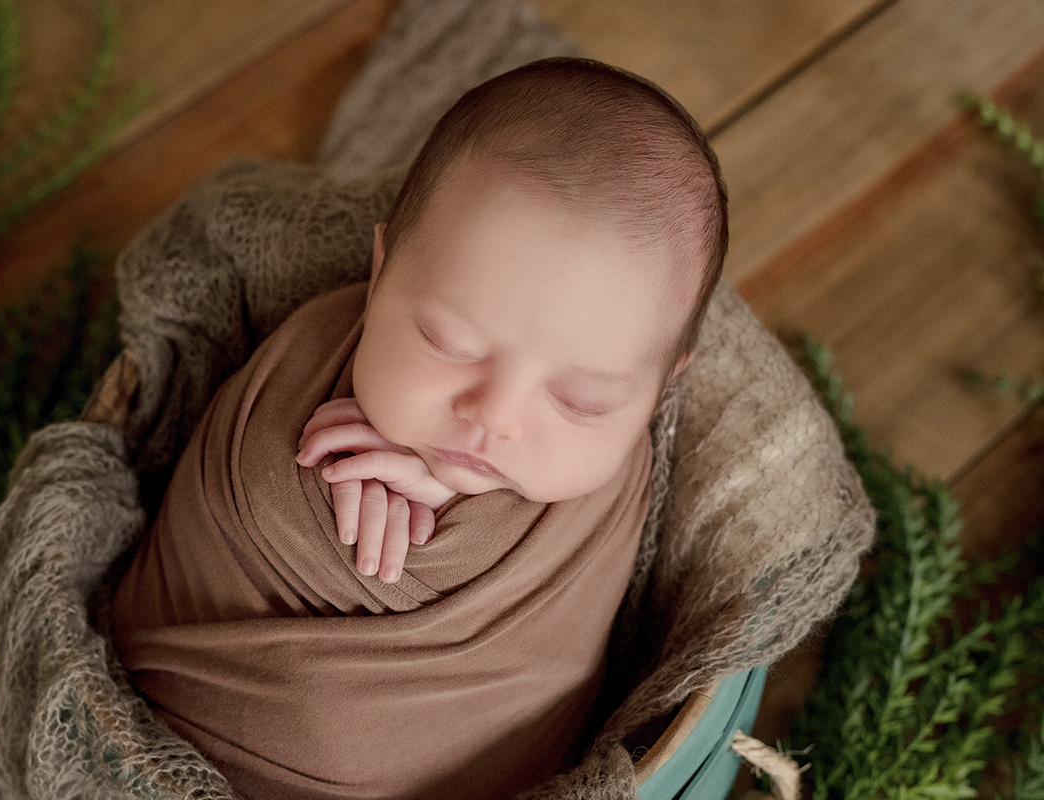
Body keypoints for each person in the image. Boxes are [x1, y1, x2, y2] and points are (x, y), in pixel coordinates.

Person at [111, 57, 726, 800]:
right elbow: (223, 517)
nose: (494, 418)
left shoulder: (616, 477)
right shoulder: (299, 366)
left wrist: (439, 516)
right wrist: (315, 496)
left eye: (580, 399)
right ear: (381, 270)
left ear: (664, 385)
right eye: (449, 342)